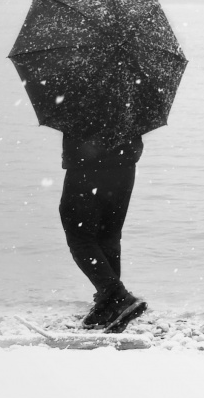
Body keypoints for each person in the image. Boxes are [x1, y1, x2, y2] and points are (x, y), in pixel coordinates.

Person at [60, 117, 147, 331]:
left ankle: (117, 297)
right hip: (124, 166)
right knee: (108, 234)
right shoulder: (131, 97)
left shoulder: (79, 97)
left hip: (87, 167)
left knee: (80, 237)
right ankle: (108, 306)